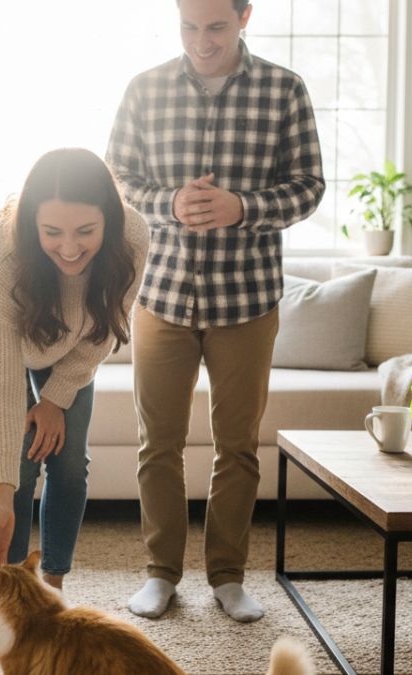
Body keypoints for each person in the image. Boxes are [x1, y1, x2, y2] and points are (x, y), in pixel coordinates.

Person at [105, 0, 325, 622]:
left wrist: (243, 207)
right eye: (189, 26)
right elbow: (116, 179)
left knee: (238, 446)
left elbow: (309, 185)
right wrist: (168, 201)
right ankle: (160, 574)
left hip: (248, 298)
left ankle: (228, 576)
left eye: (217, 27)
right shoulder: (143, 90)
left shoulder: (285, 89)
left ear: (245, 15)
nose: (202, 42)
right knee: (158, 445)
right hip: (162, 295)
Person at [0, 147, 149, 590]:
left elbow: (104, 329)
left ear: (110, 221)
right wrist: (1, 501)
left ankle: (52, 588)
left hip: (73, 339)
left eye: (86, 231)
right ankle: (13, 590)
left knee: (68, 460)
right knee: (21, 460)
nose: (70, 248)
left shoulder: (133, 237)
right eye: (52, 232)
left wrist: (56, 399)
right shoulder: (3, 262)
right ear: (31, 224)